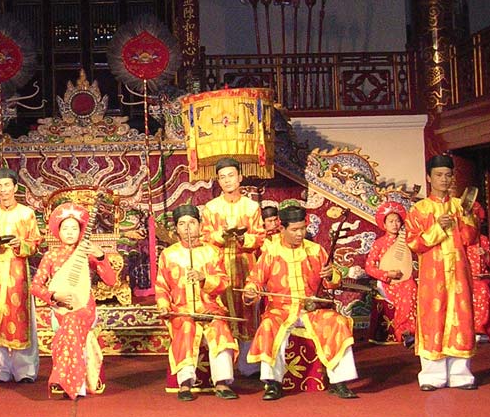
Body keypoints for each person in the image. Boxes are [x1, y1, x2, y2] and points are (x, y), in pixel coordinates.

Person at [243, 201, 359, 400]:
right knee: (270, 325)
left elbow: (332, 283)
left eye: (303, 228)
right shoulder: (271, 252)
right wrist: (251, 291)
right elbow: (254, 279)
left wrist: (331, 275)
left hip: (311, 308)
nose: (300, 233)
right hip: (281, 309)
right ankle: (272, 383)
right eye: (295, 229)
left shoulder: (315, 250)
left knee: (338, 322)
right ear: (282, 228)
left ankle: (340, 381)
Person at [405, 155, 478, 391]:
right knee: (432, 319)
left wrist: (464, 218)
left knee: (462, 318)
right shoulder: (419, 209)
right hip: (432, 275)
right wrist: (438, 228)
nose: (444, 179)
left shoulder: (460, 205)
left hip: (458, 272)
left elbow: (470, 238)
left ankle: (461, 375)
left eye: (448, 175)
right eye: (439, 175)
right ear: (429, 177)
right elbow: (414, 243)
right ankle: (432, 376)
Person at [31, 202, 117, 400]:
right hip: (60, 309)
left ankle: (69, 382)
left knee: (72, 321)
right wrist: (54, 296)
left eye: (74, 228)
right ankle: (72, 382)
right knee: (69, 320)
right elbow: (35, 287)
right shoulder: (50, 256)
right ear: (58, 231)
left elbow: (111, 281)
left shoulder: (87, 253)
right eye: (65, 228)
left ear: (81, 231)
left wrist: (101, 256)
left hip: (85, 308)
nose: (70, 233)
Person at [154, 204, 239, 401]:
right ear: (176, 228)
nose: (187, 228)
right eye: (182, 224)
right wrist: (164, 306)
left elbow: (223, 282)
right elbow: (161, 286)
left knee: (219, 328)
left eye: (192, 223)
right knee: (185, 328)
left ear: (199, 226)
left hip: (209, 308)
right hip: (181, 310)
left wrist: (203, 278)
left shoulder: (212, 252)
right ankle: (185, 383)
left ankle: (222, 382)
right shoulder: (168, 254)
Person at [0, 166, 42, 383]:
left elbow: (35, 243)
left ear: (15, 187)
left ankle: (25, 370)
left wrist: (20, 244)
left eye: (7, 185)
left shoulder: (26, 214)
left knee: (21, 319)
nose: (3, 190)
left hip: (17, 274)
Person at [200, 156, 264, 371]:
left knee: (247, 310)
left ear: (240, 177)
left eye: (231, 176)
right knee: (223, 311)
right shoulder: (211, 208)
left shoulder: (252, 207)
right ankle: (225, 366)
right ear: (218, 181)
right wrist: (222, 234)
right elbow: (206, 238)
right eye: (222, 177)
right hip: (220, 265)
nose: (227, 181)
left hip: (245, 263)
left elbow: (260, 237)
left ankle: (248, 365)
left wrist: (242, 238)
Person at [363, 201, 417, 346]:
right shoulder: (379, 244)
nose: (394, 224)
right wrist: (387, 274)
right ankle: (405, 333)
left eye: (397, 221)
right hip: (387, 283)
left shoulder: (407, 241)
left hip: (405, 279)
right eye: (391, 221)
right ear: (384, 225)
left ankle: (412, 332)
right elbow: (369, 267)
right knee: (407, 289)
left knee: (411, 286)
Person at [447, 184, 490, 343]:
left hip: (480, 278)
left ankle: (480, 329)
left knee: (481, 289)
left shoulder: (483, 240)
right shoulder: (460, 240)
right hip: (461, 278)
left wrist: (486, 255)